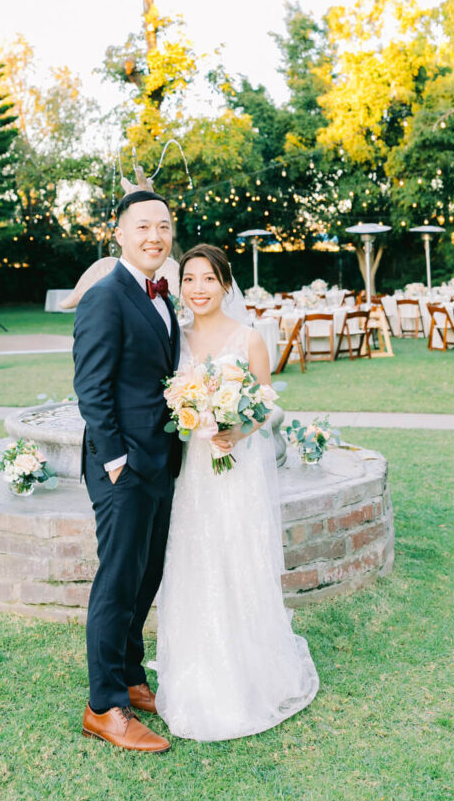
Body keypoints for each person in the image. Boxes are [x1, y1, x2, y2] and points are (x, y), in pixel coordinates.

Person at [155, 244, 319, 741]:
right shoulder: (172, 338)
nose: (198, 288)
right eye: (189, 280)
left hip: (235, 468)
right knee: (195, 560)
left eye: (208, 279)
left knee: (237, 557)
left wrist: (234, 432)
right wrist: (191, 416)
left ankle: (249, 674)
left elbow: (266, 407)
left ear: (226, 284)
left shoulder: (249, 339)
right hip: (192, 473)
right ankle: (196, 670)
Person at [73, 190, 181, 754]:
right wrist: (117, 463)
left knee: (147, 575)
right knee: (117, 584)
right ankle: (104, 706)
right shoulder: (105, 295)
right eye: (142, 226)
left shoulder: (163, 295)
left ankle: (132, 676)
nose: (154, 236)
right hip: (122, 469)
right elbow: (91, 389)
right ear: (119, 233)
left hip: (161, 461)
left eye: (163, 226)